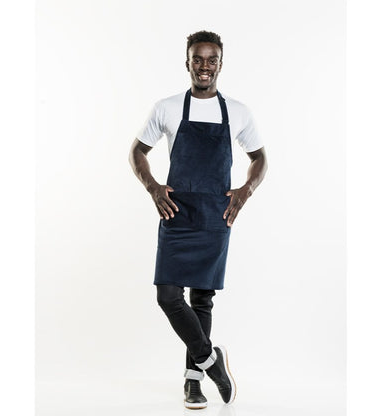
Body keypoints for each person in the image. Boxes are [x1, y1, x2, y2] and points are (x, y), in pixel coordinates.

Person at [129, 30, 267, 409]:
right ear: (187, 62)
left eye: (211, 60)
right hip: (176, 211)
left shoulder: (237, 111)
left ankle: (193, 381)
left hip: (215, 215)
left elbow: (260, 158)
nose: (204, 66)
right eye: (198, 59)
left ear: (220, 64)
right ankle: (212, 362)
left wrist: (245, 190)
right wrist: (153, 187)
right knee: (168, 296)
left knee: (202, 299)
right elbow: (137, 151)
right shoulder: (167, 107)